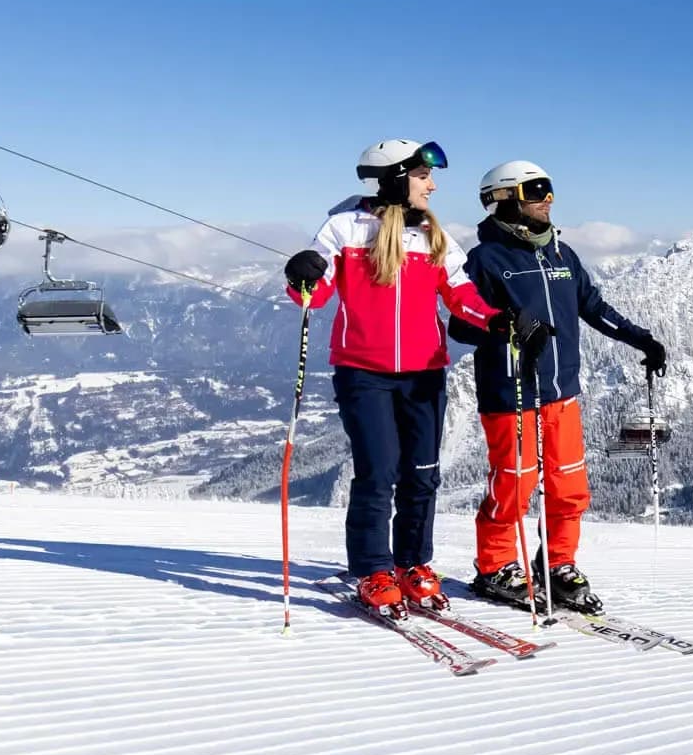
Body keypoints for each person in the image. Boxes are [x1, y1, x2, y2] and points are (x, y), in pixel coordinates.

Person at [282, 139, 509, 617]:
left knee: (423, 475)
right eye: (424, 175)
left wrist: (497, 321)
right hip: (363, 373)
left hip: (425, 374)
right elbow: (315, 293)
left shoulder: (434, 235)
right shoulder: (345, 227)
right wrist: (301, 274)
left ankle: (413, 563)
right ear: (396, 177)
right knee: (379, 472)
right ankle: (373, 569)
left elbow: (461, 292)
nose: (433, 184)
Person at [451, 159, 667, 615]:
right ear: (505, 198)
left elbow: (593, 306)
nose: (547, 198)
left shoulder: (561, 255)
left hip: (561, 394)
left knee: (570, 488)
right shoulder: (486, 260)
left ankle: (557, 564)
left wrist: (641, 340)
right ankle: (494, 566)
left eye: (549, 188)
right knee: (514, 483)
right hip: (512, 394)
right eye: (536, 189)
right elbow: (461, 325)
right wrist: (505, 324)